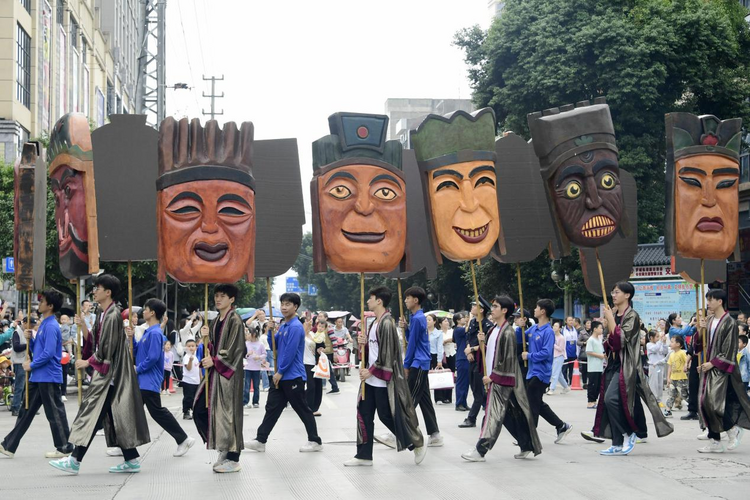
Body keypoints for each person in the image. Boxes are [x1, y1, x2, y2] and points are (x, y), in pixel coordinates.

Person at [50, 275, 150, 475]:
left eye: (98, 288)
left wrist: (87, 362)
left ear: (108, 292)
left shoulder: (112, 315)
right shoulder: (103, 312)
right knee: (112, 416)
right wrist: (83, 326)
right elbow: (95, 340)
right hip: (109, 374)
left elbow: (107, 349)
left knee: (91, 414)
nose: (94, 291)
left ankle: (74, 459)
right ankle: (131, 458)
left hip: (110, 375)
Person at [345, 287, 426, 466]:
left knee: (386, 415)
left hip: (383, 380)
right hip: (370, 380)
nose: (368, 301)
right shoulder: (374, 322)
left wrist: (371, 371)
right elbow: (373, 350)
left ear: (379, 301)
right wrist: (364, 344)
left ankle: (416, 441)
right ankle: (363, 455)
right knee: (364, 414)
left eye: (371, 298)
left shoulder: (387, 323)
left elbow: (388, 355)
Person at [594, 282, 673, 456]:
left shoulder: (632, 316)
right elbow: (609, 342)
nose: (613, 295)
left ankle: (629, 432)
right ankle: (616, 443)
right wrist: (609, 324)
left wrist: (610, 321)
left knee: (611, 399)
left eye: (617, 292)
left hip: (627, 366)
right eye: (612, 292)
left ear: (627, 295)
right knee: (612, 402)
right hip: (613, 364)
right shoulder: (614, 314)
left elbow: (620, 341)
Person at [461, 295, 542, 462]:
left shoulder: (508, 332)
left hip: (501, 380)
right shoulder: (493, 330)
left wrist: (492, 377)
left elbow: (508, 361)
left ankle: (480, 450)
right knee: (508, 415)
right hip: (495, 378)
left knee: (492, 415)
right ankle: (526, 444)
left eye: (496, 306)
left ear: (504, 310)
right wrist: (482, 344)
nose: (492, 309)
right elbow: (490, 354)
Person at [0, 289, 74, 460]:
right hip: (38, 376)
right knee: (26, 411)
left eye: (42, 301)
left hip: (48, 375)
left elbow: (49, 353)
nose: (39, 304)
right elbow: (39, 349)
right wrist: (31, 340)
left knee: (54, 413)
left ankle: (65, 447)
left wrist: (31, 365)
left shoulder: (51, 326)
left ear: (50, 305)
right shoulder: (44, 325)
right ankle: (9, 445)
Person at [246, 293, 322, 454]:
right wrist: (270, 331)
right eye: (282, 304)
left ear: (295, 307)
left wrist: (280, 372)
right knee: (272, 408)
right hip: (281, 376)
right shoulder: (284, 326)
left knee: (302, 408)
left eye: (288, 304)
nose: (284, 307)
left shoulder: (295, 327)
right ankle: (260, 440)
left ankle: (315, 440)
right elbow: (275, 346)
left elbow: (290, 352)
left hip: (292, 376)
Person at [124, 298, 195, 458]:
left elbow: (153, 357)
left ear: (152, 313)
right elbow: (138, 352)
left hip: (148, 380)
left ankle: (183, 439)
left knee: (152, 412)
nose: (143, 312)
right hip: (144, 380)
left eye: (145, 309)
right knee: (140, 412)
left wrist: (137, 369)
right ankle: (125, 445)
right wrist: (132, 339)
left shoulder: (155, 333)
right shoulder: (149, 332)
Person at [192, 283, 246, 473]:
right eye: (216, 295)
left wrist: (214, 360)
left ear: (231, 299)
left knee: (229, 415)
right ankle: (223, 446)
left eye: (222, 296)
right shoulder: (215, 321)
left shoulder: (235, 320)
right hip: (214, 374)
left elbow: (236, 350)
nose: (218, 299)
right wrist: (205, 338)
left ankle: (233, 458)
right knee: (200, 409)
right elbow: (212, 348)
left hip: (228, 376)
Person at [694, 289, 750, 453]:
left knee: (713, 403)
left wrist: (712, 363)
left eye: (710, 300)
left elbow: (729, 350)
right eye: (707, 300)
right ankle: (717, 439)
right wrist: (700, 330)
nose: (708, 303)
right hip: (709, 367)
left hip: (722, 369)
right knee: (706, 403)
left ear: (720, 301)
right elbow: (700, 345)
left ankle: (730, 431)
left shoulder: (730, 323)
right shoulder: (709, 320)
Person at [521, 299, 573, 443]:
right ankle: (561, 426)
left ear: (543, 311)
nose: (534, 309)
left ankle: (530, 436)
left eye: (537, 307)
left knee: (532, 404)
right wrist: (521, 327)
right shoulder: (534, 328)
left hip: (541, 373)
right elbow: (521, 337)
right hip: (532, 372)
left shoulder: (548, 332)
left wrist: (529, 355)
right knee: (537, 403)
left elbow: (546, 353)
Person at [400, 286, 442, 446]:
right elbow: (413, 338)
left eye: (408, 298)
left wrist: (406, 365)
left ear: (416, 300)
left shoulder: (418, 318)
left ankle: (401, 432)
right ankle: (435, 434)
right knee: (425, 400)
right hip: (421, 362)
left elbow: (412, 345)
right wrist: (406, 328)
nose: (405, 301)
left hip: (418, 363)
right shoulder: (417, 317)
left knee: (409, 401)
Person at [459, 298, 493, 429]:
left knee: (478, 392)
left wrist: (472, 349)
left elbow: (487, 345)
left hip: (481, 361)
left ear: (481, 310)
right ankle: (492, 410)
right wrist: (469, 350)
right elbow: (468, 338)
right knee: (475, 389)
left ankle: (471, 418)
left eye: (475, 305)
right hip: (471, 359)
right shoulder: (473, 322)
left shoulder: (488, 326)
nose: (472, 307)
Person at [664, 335, 689, 418]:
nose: (670, 344)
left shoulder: (682, 353)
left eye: (672, 342)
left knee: (684, 395)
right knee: (671, 395)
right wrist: (668, 378)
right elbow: (670, 367)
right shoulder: (671, 354)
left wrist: (686, 367)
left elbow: (687, 361)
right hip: (673, 378)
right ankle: (668, 410)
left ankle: (693, 408)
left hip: (681, 378)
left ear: (678, 344)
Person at [303, 315, 322, 416]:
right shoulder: (301, 335)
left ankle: (315, 407)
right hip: (305, 363)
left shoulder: (312, 334)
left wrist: (321, 349)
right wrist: (305, 328)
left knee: (318, 386)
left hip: (315, 363)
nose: (309, 324)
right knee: (311, 386)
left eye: (310, 322)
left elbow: (320, 343)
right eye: (306, 322)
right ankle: (308, 407)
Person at [243, 328, 266, 409]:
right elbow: (243, 355)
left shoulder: (260, 344)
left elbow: (264, 354)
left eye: (250, 334)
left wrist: (259, 357)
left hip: (256, 368)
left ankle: (255, 402)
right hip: (248, 367)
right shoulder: (246, 344)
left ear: (254, 335)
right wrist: (247, 354)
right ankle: (245, 402)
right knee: (247, 385)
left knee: (256, 386)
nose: (248, 335)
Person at [585, 321, 605, 409]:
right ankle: (590, 402)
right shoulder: (591, 340)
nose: (602, 330)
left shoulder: (599, 339)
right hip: (593, 366)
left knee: (597, 385)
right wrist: (600, 356)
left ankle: (594, 401)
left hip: (599, 366)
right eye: (600, 328)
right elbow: (589, 352)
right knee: (592, 384)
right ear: (595, 329)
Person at [426, 314, 445, 403]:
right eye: (426, 320)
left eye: (429, 320)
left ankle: (439, 398)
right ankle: (426, 397)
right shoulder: (424, 332)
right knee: (425, 376)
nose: (427, 321)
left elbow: (440, 347)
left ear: (434, 322)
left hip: (434, 355)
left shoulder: (438, 333)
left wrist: (439, 360)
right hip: (425, 355)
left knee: (437, 375)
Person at [646, 330, 669, 404]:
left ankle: (659, 400)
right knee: (653, 383)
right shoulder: (649, 345)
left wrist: (664, 343)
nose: (658, 338)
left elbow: (665, 351)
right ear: (651, 337)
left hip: (660, 366)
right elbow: (655, 349)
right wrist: (661, 341)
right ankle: (653, 399)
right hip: (653, 366)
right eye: (657, 337)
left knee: (660, 384)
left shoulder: (660, 343)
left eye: (659, 336)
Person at [452, 313, 470, 411]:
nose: (465, 319)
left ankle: (463, 402)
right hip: (462, 358)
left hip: (464, 358)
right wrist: (471, 318)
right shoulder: (458, 330)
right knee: (461, 382)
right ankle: (459, 403)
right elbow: (468, 329)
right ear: (458, 320)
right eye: (463, 318)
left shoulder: (460, 329)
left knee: (466, 382)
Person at [10, 317, 27, 416]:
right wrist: (27, 345)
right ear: (24, 323)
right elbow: (16, 347)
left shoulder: (28, 332)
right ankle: (15, 408)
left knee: (26, 387)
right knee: (19, 387)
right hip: (19, 362)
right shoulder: (17, 332)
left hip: (27, 362)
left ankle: (26, 407)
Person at [548, 320, 569, 395]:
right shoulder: (552, 336)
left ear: (560, 328)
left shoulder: (561, 338)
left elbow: (561, 349)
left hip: (559, 356)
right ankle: (566, 387)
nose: (554, 327)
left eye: (556, 326)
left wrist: (553, 344)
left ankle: (552, 389)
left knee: (554, 373)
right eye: (554, 326)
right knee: (559, 374)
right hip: (553, 356)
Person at [181, 339, 201, 420]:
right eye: (189, 346)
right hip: (188, 381)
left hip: (196, 381)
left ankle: (195, 412)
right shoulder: (187, 357)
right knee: (188, 398)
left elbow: (198, 369)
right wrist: (190, 360)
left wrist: (201, 379)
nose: (191, 348)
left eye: (193, 346)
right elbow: (188, 368)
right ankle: (186, 412)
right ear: (186, 348)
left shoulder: (195, 357)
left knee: (195, 398)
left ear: (196, 347)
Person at [562, 317, 578, 384]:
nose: (571, 321)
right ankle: (565, 381)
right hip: (566, 352)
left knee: (572, 368)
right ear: (566, 321)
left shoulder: (575, 330)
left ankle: (571, 381)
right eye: (569, 320)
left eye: (572, 320)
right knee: (564, 369)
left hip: (573, 352)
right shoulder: (563, 330)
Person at [577, 319, 590, 388]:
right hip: (585, 352)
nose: (589, 325)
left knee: (590, 369)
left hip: (592, 352)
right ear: (584, 325)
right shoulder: (582, 333)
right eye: (588, 323)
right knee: (584, 369)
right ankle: (585, 383)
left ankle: (590, 382)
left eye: (590, 323)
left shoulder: (594, 332)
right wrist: (584, 343)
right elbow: (578, 342)